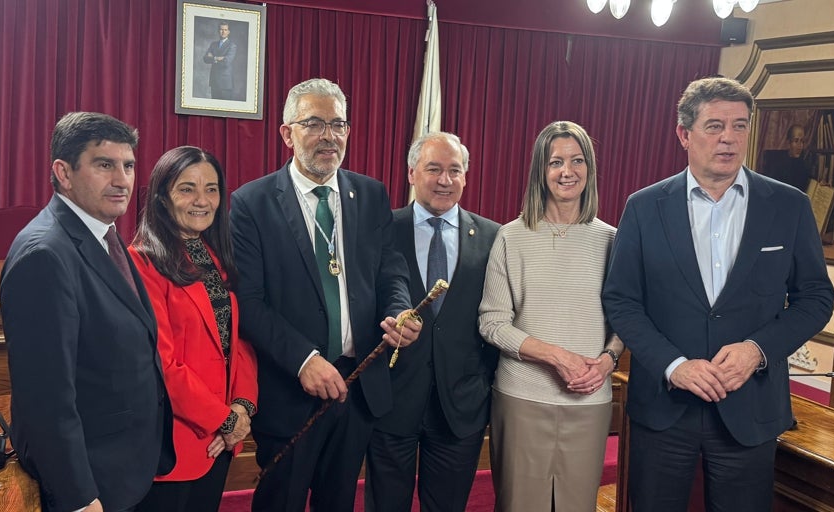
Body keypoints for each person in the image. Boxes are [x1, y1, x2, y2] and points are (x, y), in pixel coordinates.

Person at [601, 77, 834, 512]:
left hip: (750, 406)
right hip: (664, 407)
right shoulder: (644, 206)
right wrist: (674, 365)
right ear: (684, 134)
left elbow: (817, 297)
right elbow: (622, 300)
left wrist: (757, 350)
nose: (728, 138)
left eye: (740, 126)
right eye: (714, 126)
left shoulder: (788, 205)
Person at [229, 77, 422, 511]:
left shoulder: (370, 194)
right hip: (290, 392)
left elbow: (390, 270)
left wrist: (399, 312)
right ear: (287, 133)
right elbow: (250, 303)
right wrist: (304, 360)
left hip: (358, 385)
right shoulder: (251, 203)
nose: (328, 136)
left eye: (338, 124)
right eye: (314, 123)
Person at [0, 112, 174, 512]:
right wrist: (79, 498)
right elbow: (45, 399)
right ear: (63, 172)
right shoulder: (44, 255)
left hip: (122, 466)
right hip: (88, 479)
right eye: (104, 165)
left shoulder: (103, 233)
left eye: (128, 165)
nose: (122, 180)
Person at [478, 121, 623, 512]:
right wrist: (556, 356)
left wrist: (608, 361)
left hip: (591, 398)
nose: (567, 171)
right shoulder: (511, 236)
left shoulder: (612, 239)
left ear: (589, 170)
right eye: (555, 162)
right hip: (522, 398)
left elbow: (624, 318)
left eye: (578, 161)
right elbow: (492, 322)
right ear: (540, 171)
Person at [365, 132, 499, 512]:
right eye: (434, 169)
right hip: (392, 402)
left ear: (466, 177)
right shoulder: (382, 230)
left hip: (460, 407)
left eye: (454, 170)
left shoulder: (493, 236)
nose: (445, 180)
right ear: (411, 173)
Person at [128, 146, 258, 512]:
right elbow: (163, 365)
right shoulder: (141, 262)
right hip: (176, 441)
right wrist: (224, 418)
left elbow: (239, 339)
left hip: (219, 440)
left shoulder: (215, 253)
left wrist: (242, 407)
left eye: (212, 188)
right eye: (187, 188)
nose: (202, 200)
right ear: (162, 198)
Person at [762, 124, 812, 191]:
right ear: (788, 143)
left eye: (802, 141)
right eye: (796, 141)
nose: (800, 146)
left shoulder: (804, 165)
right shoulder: (777, 164)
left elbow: (809, 185)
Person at [203, 21, 237, 100]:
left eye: (225, 30)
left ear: (228, 32)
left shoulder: (232, 46)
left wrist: (213, 57)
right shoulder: (213, 44)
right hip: (214, 81)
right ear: (218, 31)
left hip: (225, 83)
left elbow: (226, 62)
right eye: (221, 29)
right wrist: (217, 58)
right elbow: (205, 59)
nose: (223, 32)